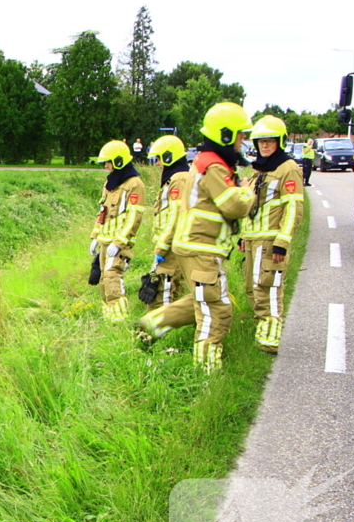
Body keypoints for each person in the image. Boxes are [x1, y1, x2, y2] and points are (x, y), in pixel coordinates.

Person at [138, 102, 254, 371]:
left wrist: (165, 245)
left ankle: (150, 326)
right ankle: (205, 372)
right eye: (240, 134)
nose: (243, 141)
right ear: (225, 134)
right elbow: (234, 206)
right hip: (203, 248)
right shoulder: (214, 167)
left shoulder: (200, 164)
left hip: (192, 247)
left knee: (201, 301)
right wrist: (247, 191)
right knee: (217, 311)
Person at [239, 115, 304, 354]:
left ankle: (271, 340)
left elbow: (294, 208)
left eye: (270, 141)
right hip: (253, 241)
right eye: (261, 141)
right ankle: (262, 332)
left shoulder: (288, 168)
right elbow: (255, 207)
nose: (265, 145)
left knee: (269, 288)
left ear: (280, 142)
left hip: (271, 242)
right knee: (252, 289)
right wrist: (244, 236)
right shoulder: (260, 170)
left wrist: (282, 242)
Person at [89, 140, 146, 322]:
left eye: (109, 162)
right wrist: (95, 236)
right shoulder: (109, 183)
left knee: (113, 277)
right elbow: (103, 212)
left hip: (118, 243)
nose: (106, 166)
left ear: (119, 161)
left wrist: (119, 241)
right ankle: (109, 317)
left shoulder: (135, 184)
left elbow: (134, 217)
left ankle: (120, 320)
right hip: (105, 241)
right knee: (104, 280)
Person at [143, 135, 190, 311]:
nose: (157, 163)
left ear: (169, 157)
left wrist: (162, 247)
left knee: (164, 291)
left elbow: (176, 216)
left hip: (172, 246)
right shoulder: (174, 177)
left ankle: (159, 331)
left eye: (159, 158)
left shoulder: (179, 179)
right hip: (170, 244)